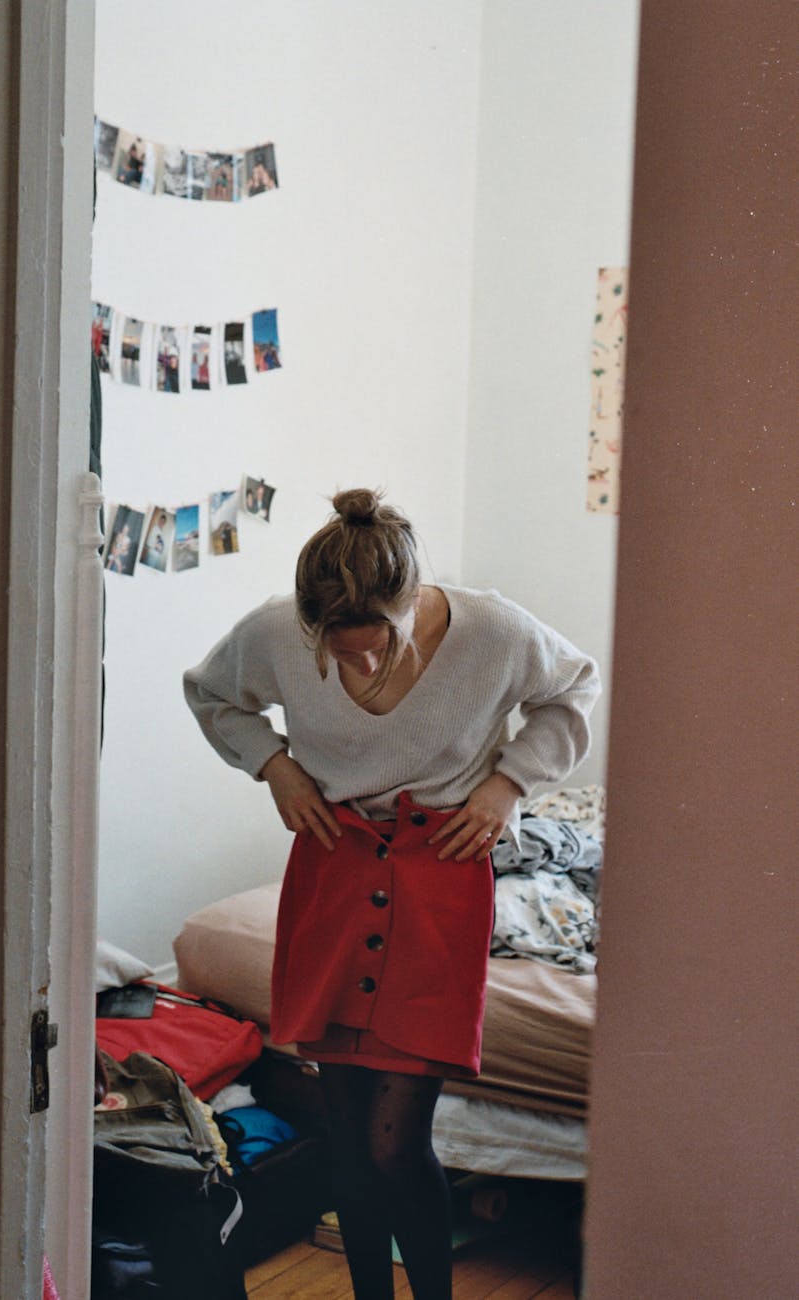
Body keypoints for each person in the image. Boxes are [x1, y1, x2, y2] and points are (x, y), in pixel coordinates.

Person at [183, 488, 600, 1299]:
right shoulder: (275, 630)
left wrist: (507, 785)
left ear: (410, 606)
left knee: (390, 1146)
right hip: (332, 875)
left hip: (440, 880)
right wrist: (276, 766)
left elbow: (574, 688)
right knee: (343, 1138)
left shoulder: (495, 631)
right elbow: (211, 692)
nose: (360, 667)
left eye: (377, 648)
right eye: (339, 653)